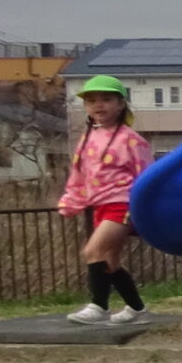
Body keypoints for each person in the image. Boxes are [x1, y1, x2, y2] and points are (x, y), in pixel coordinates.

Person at [57, 76, 152, 324]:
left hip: (123, 204)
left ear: (120, 104)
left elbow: (147, 175)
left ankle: (98, 305)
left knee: (93, 251)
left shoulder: (131, 139)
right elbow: (80, 173)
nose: (98, 105)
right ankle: (136, 307)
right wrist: (72, 200)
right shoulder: (88, 137)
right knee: (109, 259)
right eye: (91, 100)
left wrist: (146, 207)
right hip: (101, 204)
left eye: (106, 99)